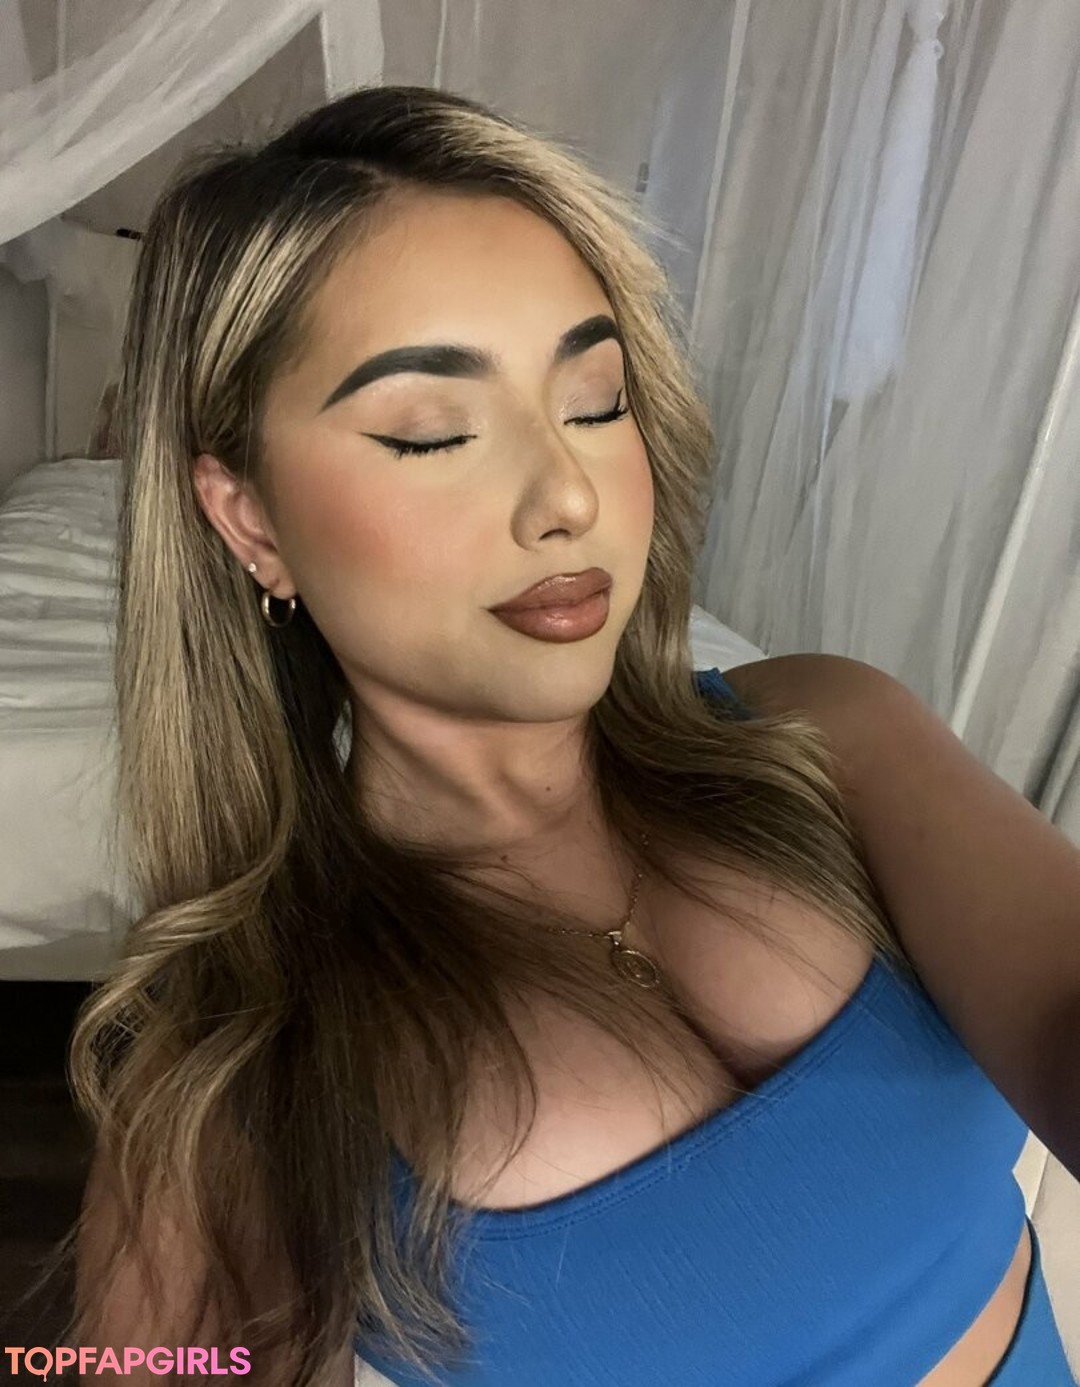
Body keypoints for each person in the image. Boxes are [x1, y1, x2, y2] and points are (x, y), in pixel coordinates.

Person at [47, 86, 1073, 1387]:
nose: (569, 496)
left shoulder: (824, 735)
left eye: (595, 401)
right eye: (431, 432)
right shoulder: (240, 1057)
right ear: (250, 521)